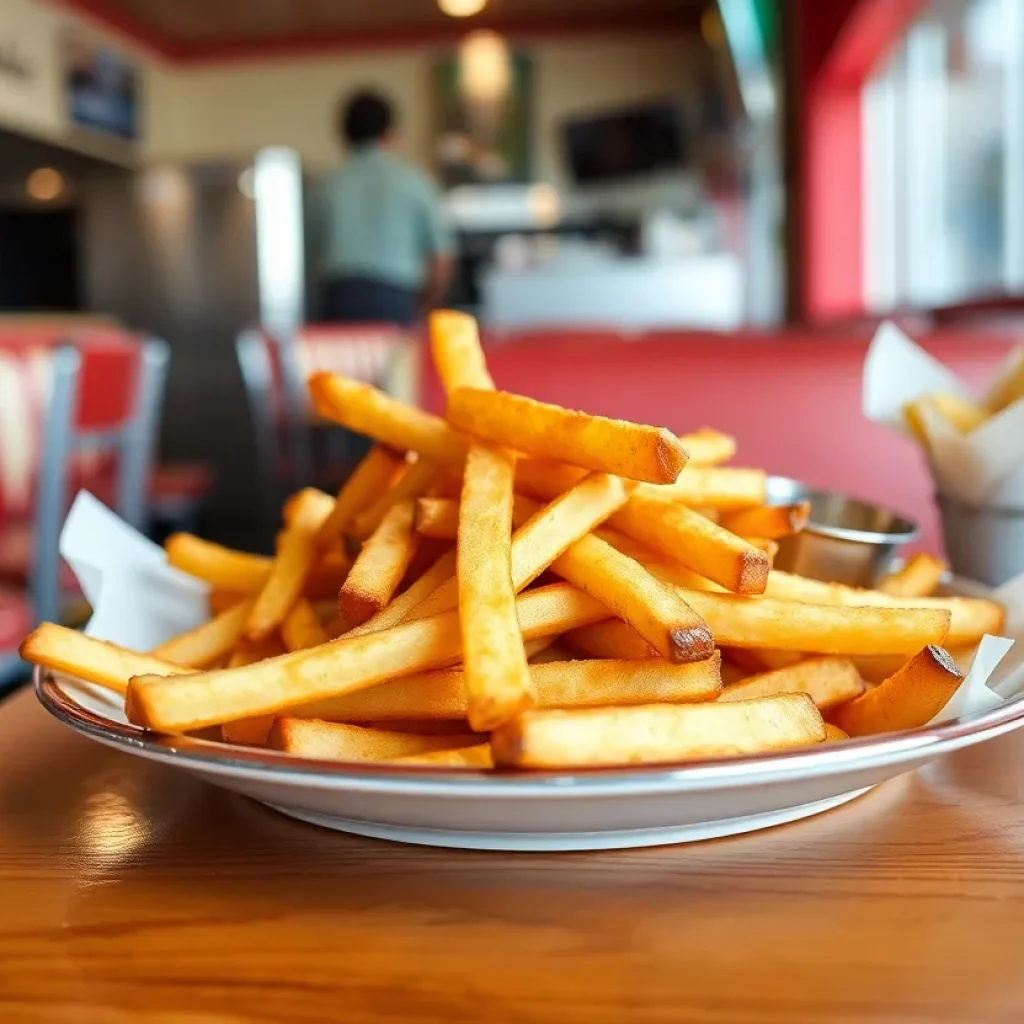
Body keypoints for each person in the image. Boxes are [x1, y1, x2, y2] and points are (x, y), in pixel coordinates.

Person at [311, 90, 454, 325]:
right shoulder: (414, 181)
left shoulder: (324, 186)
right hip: (395, 298)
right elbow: (441, 260)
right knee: (396, 363)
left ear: (344, 135)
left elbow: (308, 257)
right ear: (391, 134)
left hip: (338, 300)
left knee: (337, 362)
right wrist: (424, 304)